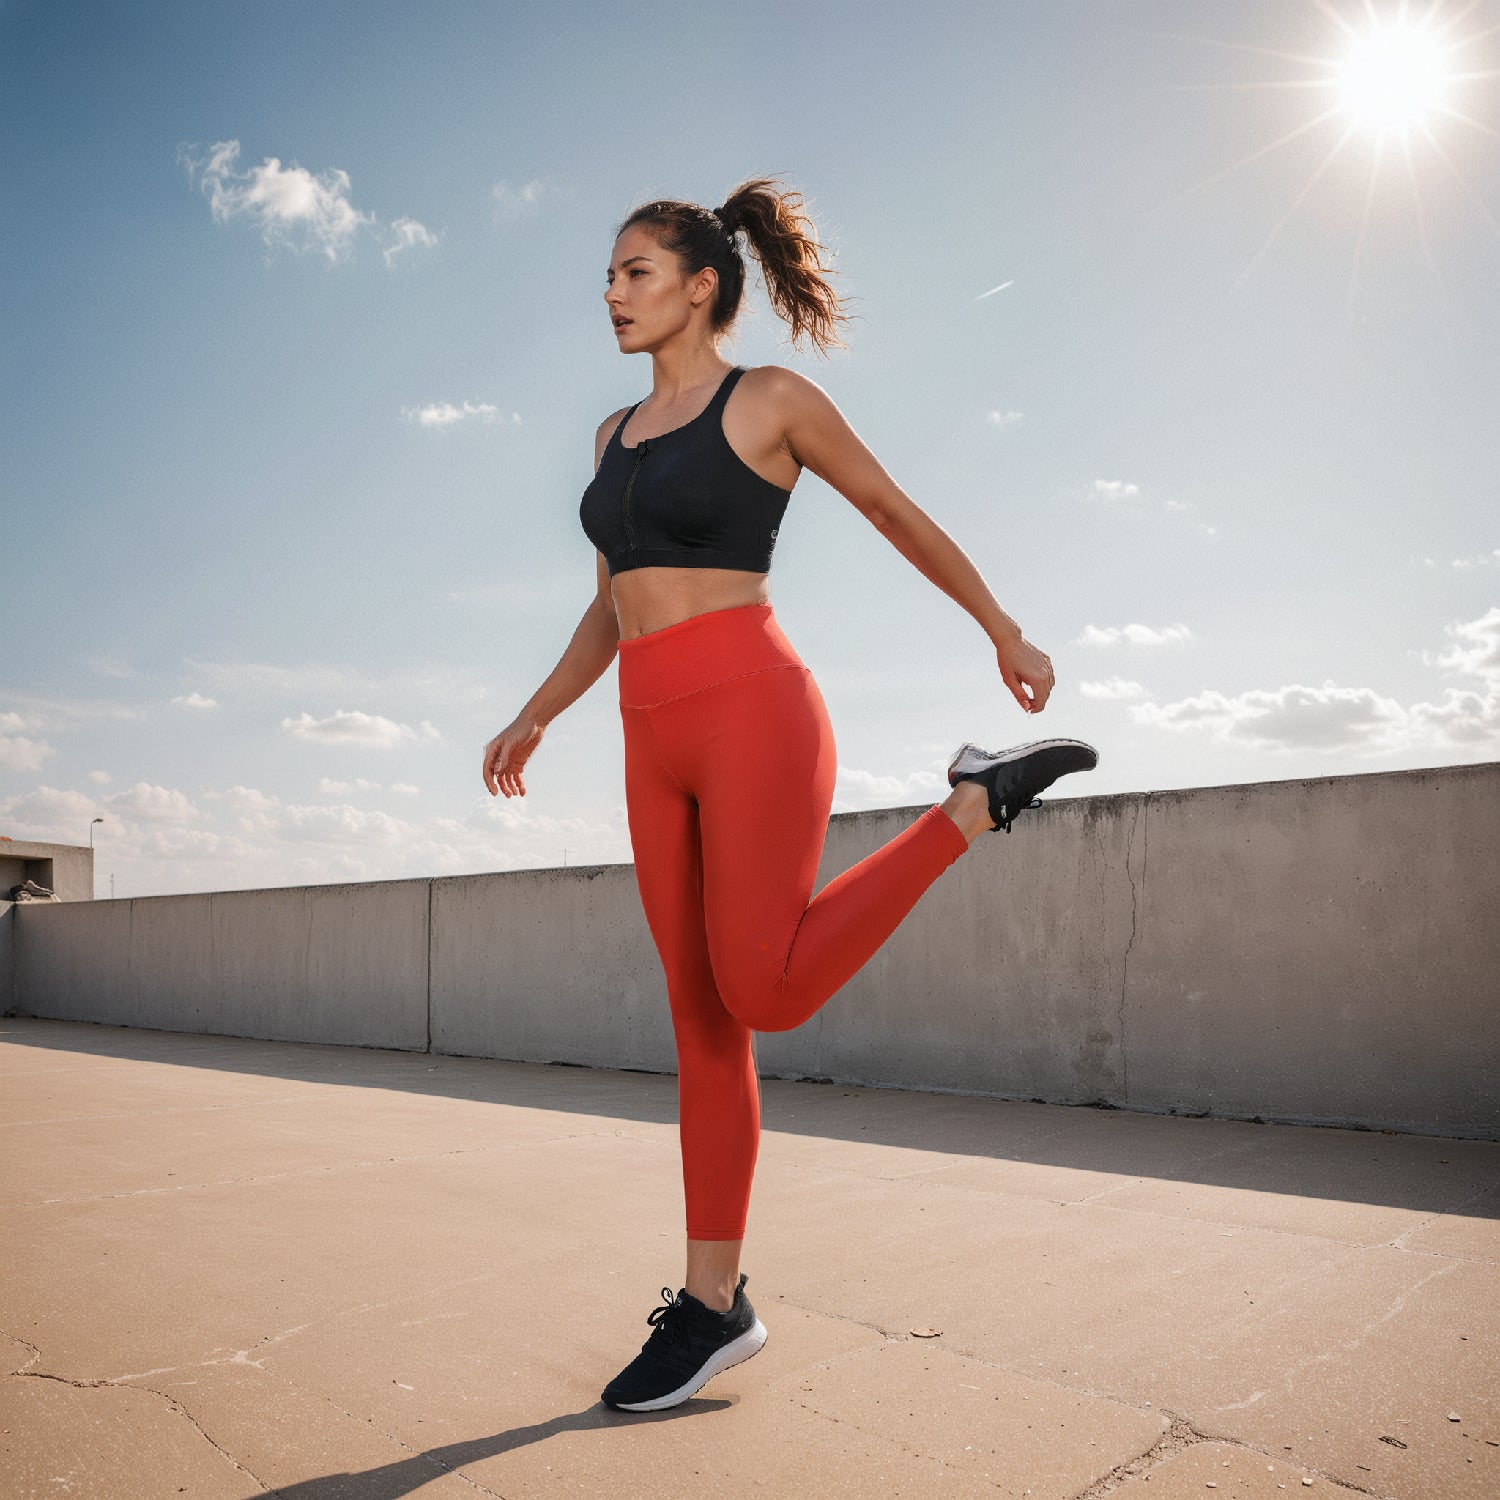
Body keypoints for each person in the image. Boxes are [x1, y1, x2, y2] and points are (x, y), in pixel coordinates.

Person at [481, 176, 1097, 1413]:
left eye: (633, 271)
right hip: (644, 733)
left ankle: (968, 809)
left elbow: (886, 505)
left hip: (753, 709)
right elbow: (611, 601)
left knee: (760, 988)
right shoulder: (610, 438)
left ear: (699, 285)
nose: (610, 292)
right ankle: (713, 1306)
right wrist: (538, 708)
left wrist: (1001, 625)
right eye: (606, 275)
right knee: (699, 1020)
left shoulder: (767, 401)